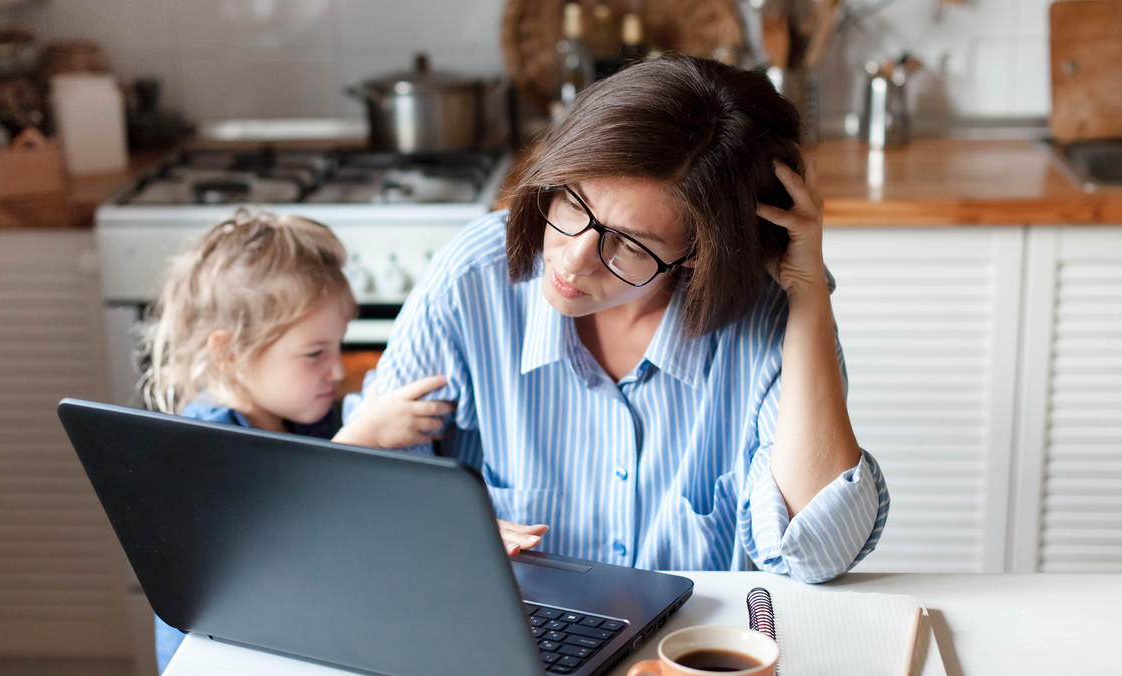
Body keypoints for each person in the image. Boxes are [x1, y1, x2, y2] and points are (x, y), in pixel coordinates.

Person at [352, 54, 889, 583]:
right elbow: (364, 487)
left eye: (628, 244)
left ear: (699, 254)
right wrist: (451, 531)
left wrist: (809, 291)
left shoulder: (771, 317)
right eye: (571, 202)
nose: (573, 257)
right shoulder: (474, 279)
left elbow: (817, 554)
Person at [138, 210, 451, 672]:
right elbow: (285, 548)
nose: (338, 371)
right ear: (229, 353)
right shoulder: (204, 448)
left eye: (338, 346)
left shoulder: (307, 418)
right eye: (314, 354)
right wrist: (362, 438)